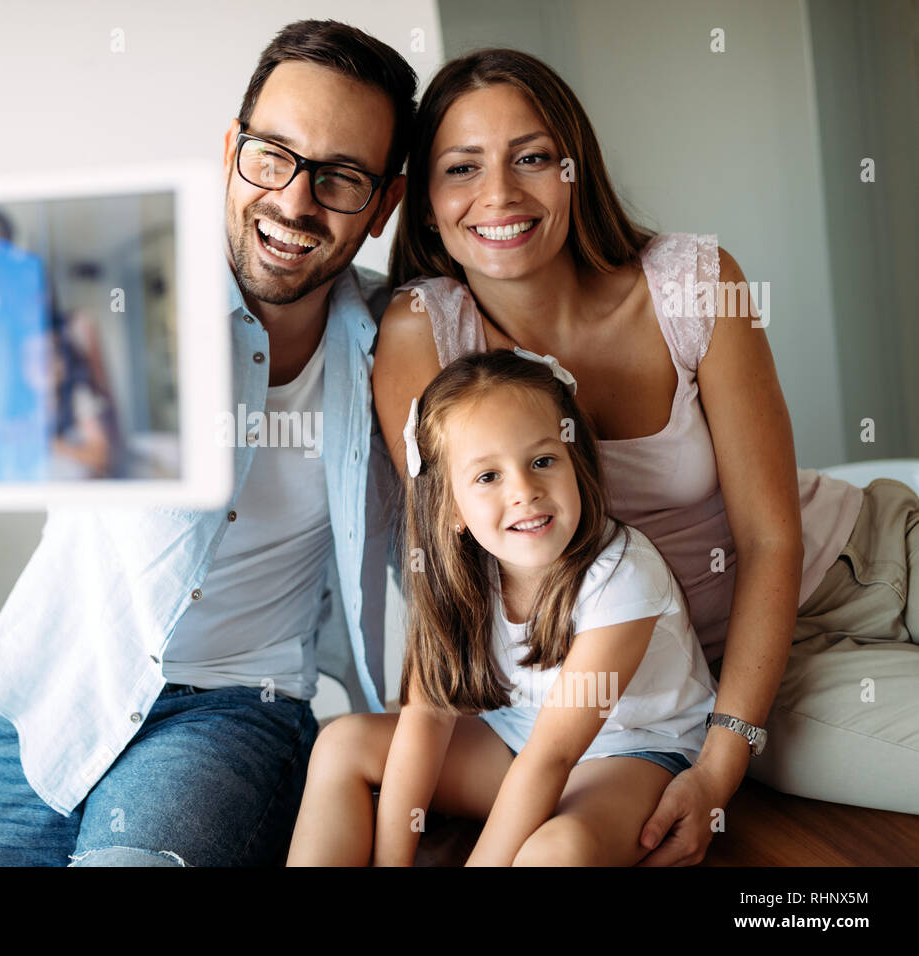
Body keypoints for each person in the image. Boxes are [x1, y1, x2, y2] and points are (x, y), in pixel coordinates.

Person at [0, 18, 415, 866]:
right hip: (60, 699)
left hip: (235, 712)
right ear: (231, 150)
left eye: (340, 178)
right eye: (272, 156)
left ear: (384, 204)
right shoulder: (117, 296)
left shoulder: (396, 347)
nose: (293, 200)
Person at [372, 48, 919, 865]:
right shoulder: (423, 336)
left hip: (868, 559)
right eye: (461, 167)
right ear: (425, 205)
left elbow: (772, 539)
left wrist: (720, 767)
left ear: (574, 170)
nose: (499, 194)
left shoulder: (694, 284)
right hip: (733, 669)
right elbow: (450, 563)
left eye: (531, 157)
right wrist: (718, 757)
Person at [288, 349, 717, 865]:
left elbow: (553, 757)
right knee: (341, 744)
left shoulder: (624, 576)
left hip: (632, 754)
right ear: (451, 508)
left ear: (574, 464)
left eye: (542, 461)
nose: (524, 492)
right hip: (516, 743)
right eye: (488, 477)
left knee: (558, 852)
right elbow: (426, 719)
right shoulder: (459, 576)